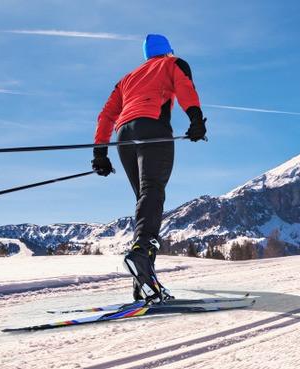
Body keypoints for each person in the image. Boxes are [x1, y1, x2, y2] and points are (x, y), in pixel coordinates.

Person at [91, 34, 208, 303]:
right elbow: (185, 89)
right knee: (152, 192)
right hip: (153, 129)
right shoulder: (173, 63)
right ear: (167, 51)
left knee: (145, 201)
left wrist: (100, 152)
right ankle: (142, 253)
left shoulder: (127, 78)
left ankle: (144, 283)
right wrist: (196, 120)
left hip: (124, 135)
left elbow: (106, 114)